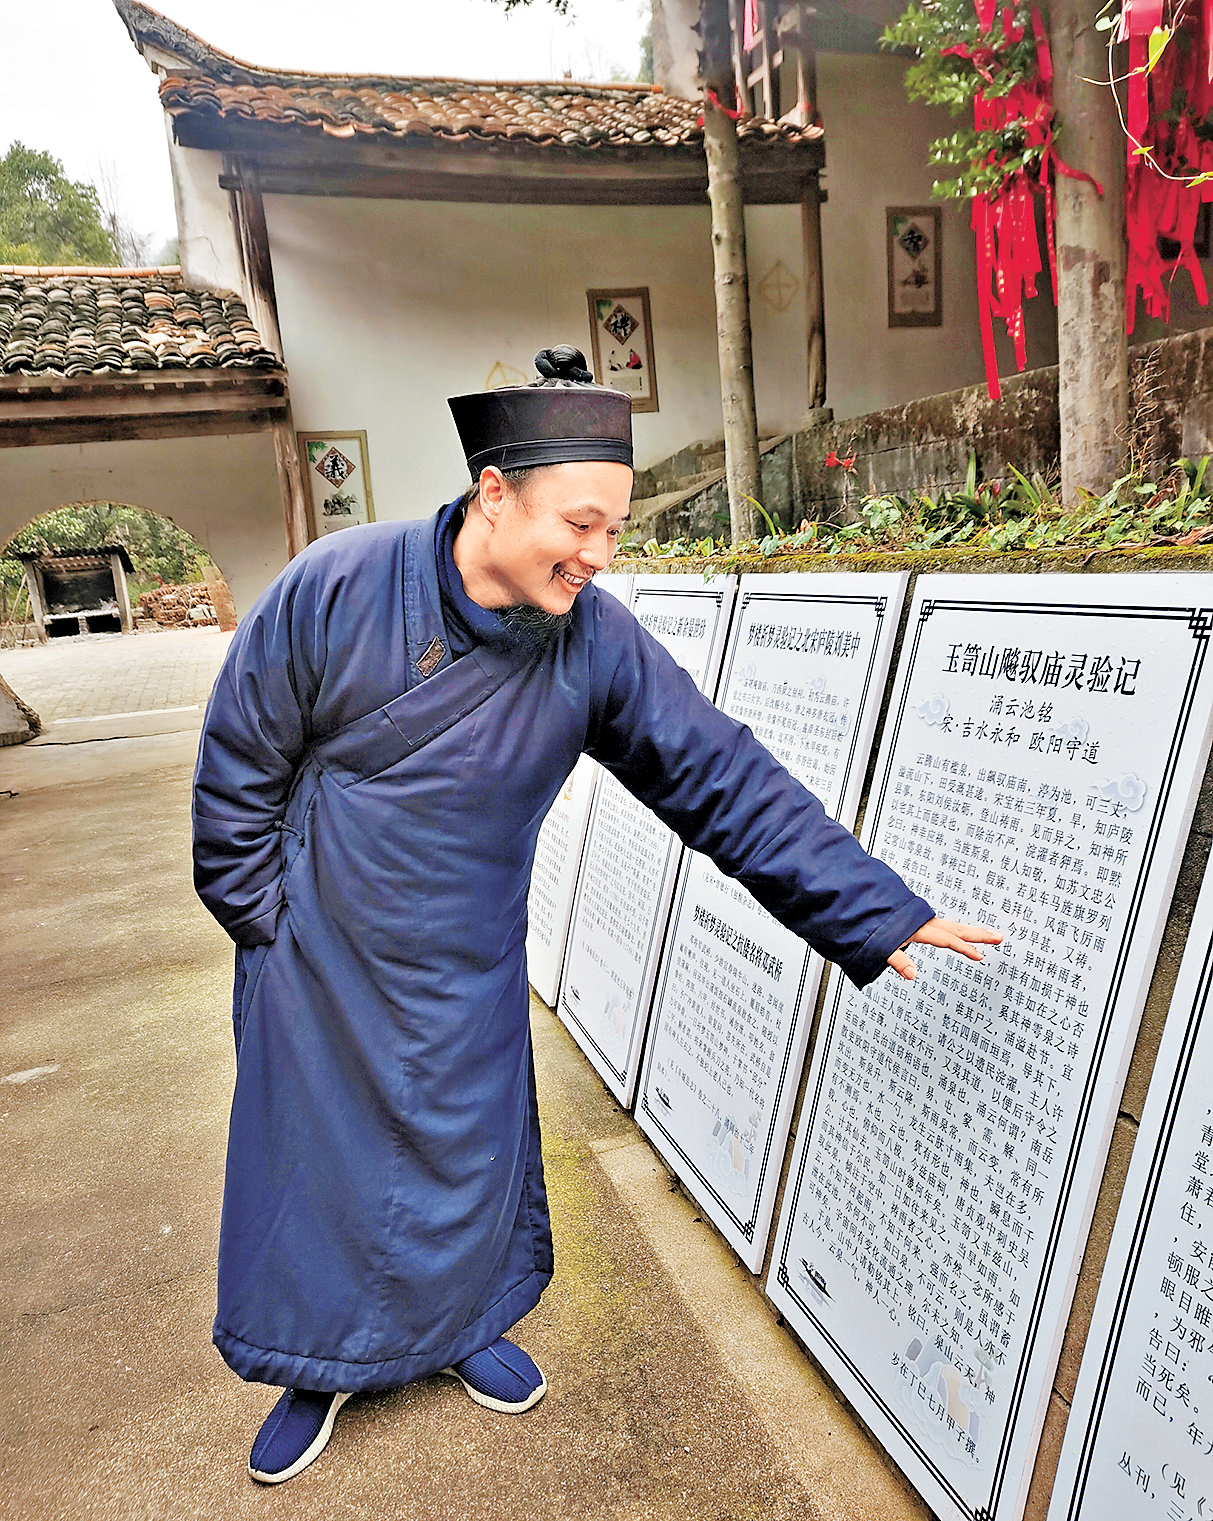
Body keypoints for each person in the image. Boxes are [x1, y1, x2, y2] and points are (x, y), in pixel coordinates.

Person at [192, 345, 1000, 1485]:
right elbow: (237, 769)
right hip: (319, 951)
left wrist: (873, 910)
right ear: (493, 493)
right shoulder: (335, 586)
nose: (600, 555)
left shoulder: (592, 642)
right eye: (580, 525)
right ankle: (314, 1363)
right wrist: (263, 925)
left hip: (467, 955)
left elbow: (720, 778)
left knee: (467, 1158)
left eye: (614, 530)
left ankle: (461, 1329)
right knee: (313, 1170)